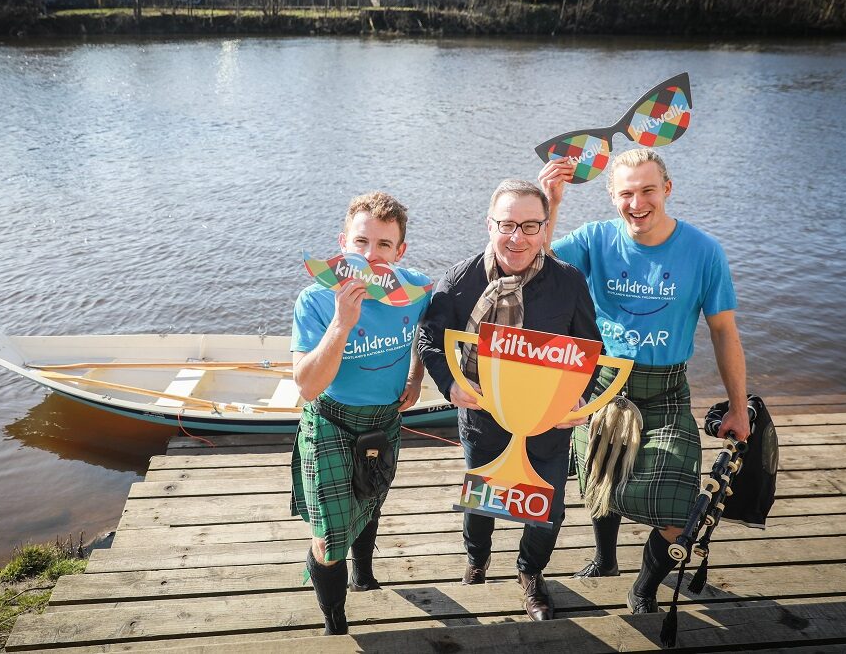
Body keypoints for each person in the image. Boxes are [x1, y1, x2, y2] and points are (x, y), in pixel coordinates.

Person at [539, 148, 751, 614]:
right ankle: (605, 558)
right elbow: (539, 266)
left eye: (648, 190)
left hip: (667, 389)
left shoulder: (704, 251)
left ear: (667, 189)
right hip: (602, 382)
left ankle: (644, 587)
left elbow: (723, 332)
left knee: (679, 512)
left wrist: (738, 406)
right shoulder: (596, 239)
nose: (638, 203)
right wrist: (553, 201)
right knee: (600, 477)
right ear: (613, 196)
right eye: (627, 193)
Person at [417, 179, 601, 621]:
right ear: (490, 224)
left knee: (548, 507)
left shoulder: (568, 281)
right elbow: (430, 337)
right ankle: (477, 561)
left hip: (546, 424)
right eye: (507, 225)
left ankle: (530, 574)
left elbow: (592, 349)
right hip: (484, 417)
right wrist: (450, 386)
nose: (517, 237)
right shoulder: (460, 280)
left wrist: (577, 402)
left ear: (544, 228)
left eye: (530, 226)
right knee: (482, 501)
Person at [290, 191, 432, 635]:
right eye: (361, 243)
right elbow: (308, 384)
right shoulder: (315, 300)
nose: (371, 257)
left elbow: (431, 334)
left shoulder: (414, 291)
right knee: (331, 537)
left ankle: (364, 575)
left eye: (384, 246)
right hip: (331, 419)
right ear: (343, 242)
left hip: (384, 421)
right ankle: (335, 622)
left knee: (371, 500)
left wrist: (415, 377)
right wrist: (341, 323)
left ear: (400, 251)